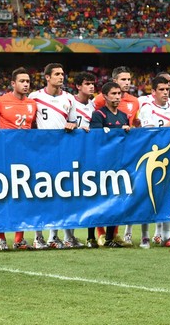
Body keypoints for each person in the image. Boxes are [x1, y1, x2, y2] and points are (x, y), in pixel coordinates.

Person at [29, 63, 81, 249]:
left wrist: (72, 125)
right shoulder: (34, 97)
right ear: (47, 77)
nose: (61, 77)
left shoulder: (69, 99)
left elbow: (73, 122)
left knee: (59, 194)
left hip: (61, 153)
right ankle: (37, 237)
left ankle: (53, 236)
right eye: (57, 74)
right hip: (41, 152)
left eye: (62, 73)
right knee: (40, 194)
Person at [135, 76, 170, 249]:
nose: (165, 93)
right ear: (153, 92)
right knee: (149, 197)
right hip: (153, 159)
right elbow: (150, 134)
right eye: (161, 89)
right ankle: (145, 237)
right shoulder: (147, 108)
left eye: (167, 89)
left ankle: (166, 237)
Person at [0, 67, 35, 250]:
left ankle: (19, 239)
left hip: (25, 156)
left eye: (28, 81)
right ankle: (1, 238)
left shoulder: (33, 104)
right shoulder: (0, 102)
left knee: (22, 197)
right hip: (3, 155)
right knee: (1, 195)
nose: (26, 84)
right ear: (13, 83)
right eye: (22, 81)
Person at [90, 81, 131, 248]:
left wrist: (127, 131)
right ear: (105, 96)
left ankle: (110, 237)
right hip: (101, 165)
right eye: (113, 94)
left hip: (118, 164)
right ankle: (91, 237)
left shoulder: (123, 116)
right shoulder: (98, 115)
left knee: (116, 201)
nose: (117, 97)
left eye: (119, 93)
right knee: (97, 201)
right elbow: (96, 139)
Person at [68, 72, 103, 248]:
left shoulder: (92, 107)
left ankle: (78, 236)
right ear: (78, 86)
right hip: (70, 154)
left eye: (93, 84)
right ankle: (64, 236)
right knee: (68, 195)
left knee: (87, 196)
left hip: (87, 156)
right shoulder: (69, 102)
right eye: (87, 83)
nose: (91, 87)